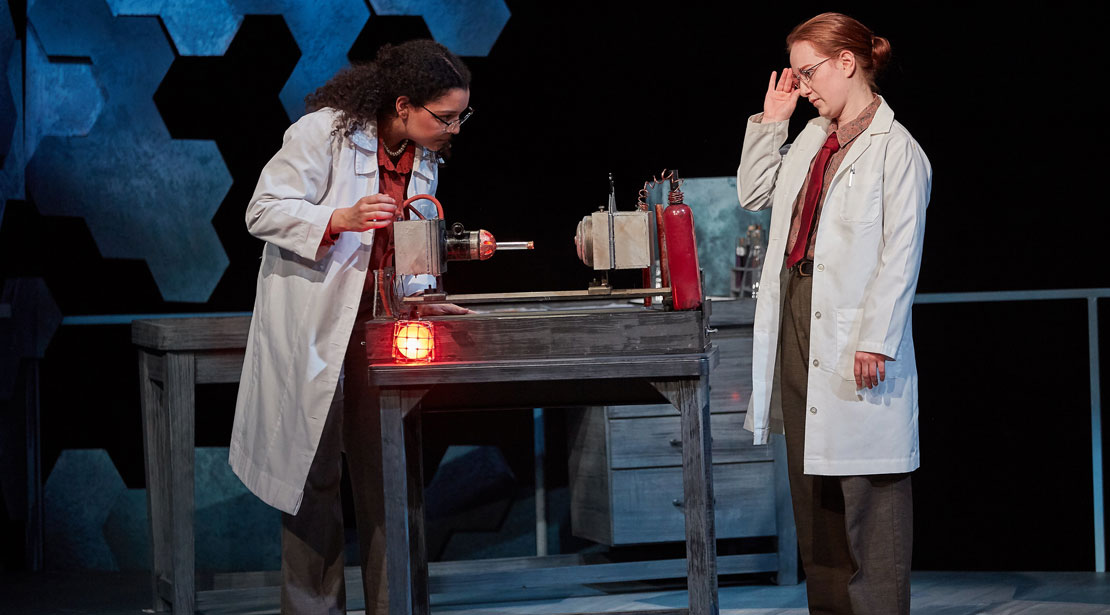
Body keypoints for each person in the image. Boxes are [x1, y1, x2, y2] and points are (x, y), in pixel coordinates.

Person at [229, 40, 472, 614]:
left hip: (385, 332)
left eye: (462, 116)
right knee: (312, 481)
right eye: (445, 117)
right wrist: (336, 217)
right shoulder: (324, 134)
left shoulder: (424, 158)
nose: (455, 128)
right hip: (317, 327)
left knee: (390, 478)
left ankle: (396, 607)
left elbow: (408, 248)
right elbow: (261, 210)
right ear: (405, 103)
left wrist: (425, 295)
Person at [737, 12, 931, 615]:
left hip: (855, 328)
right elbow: (752, 193)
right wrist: (773, 122)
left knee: (869, 493)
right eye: (795, 75)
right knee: (812, 480)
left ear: (848, 62)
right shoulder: (813, 139)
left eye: (808, 73)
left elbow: (901, 255)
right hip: (801, 310)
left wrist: (876, 338)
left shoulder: (896, 151)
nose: (803, 87)